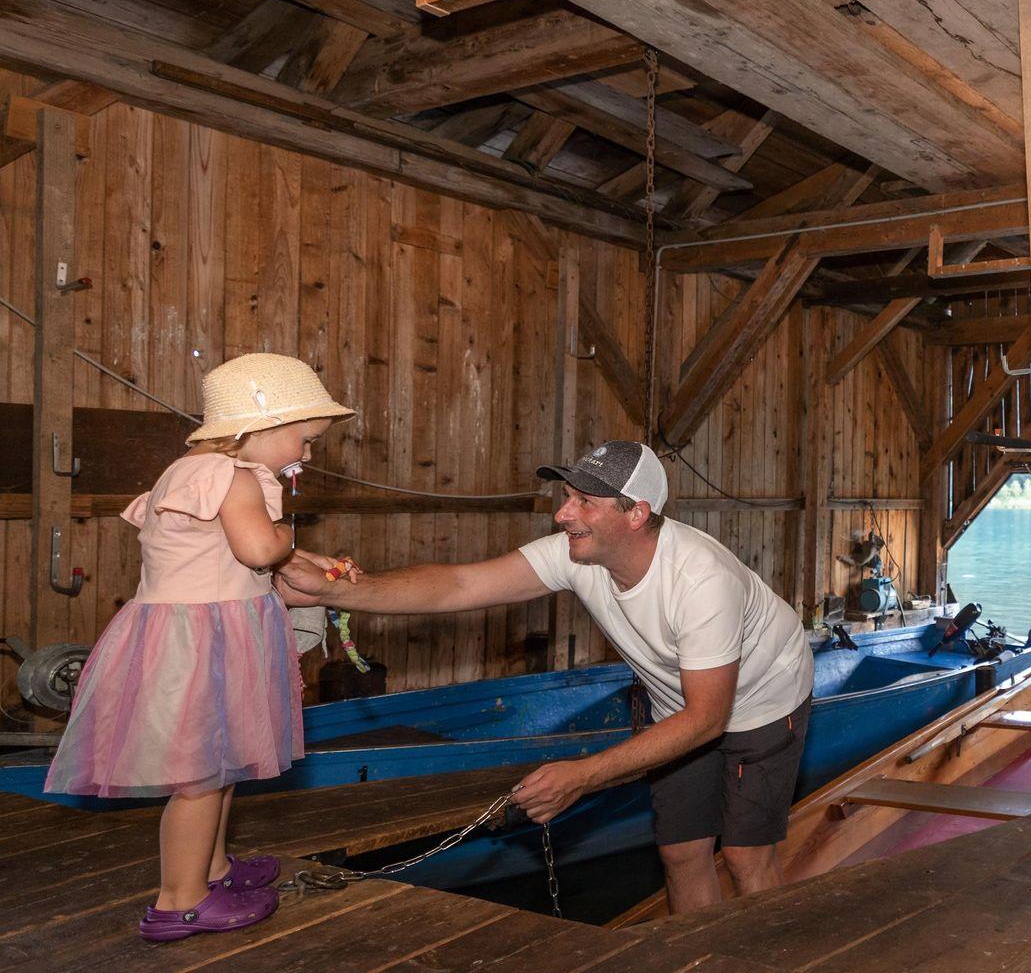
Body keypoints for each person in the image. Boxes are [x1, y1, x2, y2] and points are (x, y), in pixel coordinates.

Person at [282, 441, 814, 915]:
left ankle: (762, 970)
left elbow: (707, 719)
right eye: (566, 496)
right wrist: (338, 590)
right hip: (678, 705)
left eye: (585, 502)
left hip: (762, 700)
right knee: (680, 851)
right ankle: (694, 968)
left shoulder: (700, 581)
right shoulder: (575, 555)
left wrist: (583, 775)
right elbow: (461, 585)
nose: (563, 514)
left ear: (636, 513)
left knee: (745, 856)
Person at [45, 353, 355, 942]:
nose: (308, 455)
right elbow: (258, 551)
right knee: (199, 779)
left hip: (202, 633)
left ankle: (211, 869)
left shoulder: (190, 471)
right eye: (306, 440)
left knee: (220, 762)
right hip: (204, 641)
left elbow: (221, 549)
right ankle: (179, 901)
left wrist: (304, 558)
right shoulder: (232, 477)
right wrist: (287, 536)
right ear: (261, 427)